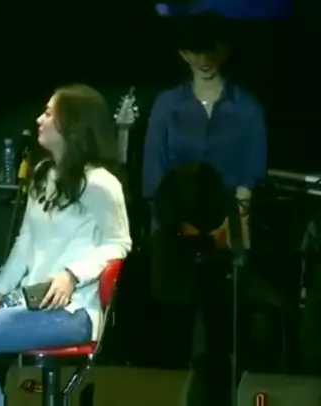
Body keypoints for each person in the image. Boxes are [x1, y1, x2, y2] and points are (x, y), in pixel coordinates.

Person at [0, 84, 132, 406]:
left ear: (71, 124)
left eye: (48, 113)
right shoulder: (43, 176)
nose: (39, 119)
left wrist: (72, 274)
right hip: (32, 303)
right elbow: (25, 241)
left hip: (72, 311)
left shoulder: (101, 183)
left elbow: (119, 243)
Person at [141, 12, 267, 406]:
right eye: (195, 50)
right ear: (183, 54)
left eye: (211, 49)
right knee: (172, 342)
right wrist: (177, 227)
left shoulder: (246, 107)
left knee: (223, 342)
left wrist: (234, 229)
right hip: (173, 233)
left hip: (225, 233)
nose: (204, 59)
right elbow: (152, 176)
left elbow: (251, 173)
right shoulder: (167, 105)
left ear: (225, 50)